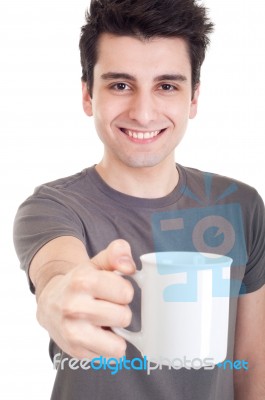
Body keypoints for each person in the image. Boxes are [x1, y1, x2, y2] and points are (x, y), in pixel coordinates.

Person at [13, 0, 265, 399]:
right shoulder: (51, 207)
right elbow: (57, 269)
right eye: (119, 85)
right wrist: (58, 294)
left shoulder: (242, 206)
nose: (144, 113)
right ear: (87, 96)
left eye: (167, 85)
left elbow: (251, 364)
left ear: (193, 98)